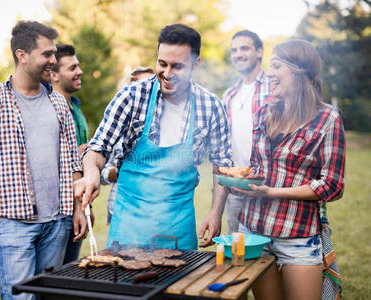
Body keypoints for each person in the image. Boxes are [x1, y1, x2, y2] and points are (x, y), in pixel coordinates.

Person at [74, 23, 233, 250]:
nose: (167, 74)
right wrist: (91, 174)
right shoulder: (131, 96)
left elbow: (222, 167)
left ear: (196, 64)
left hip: (178, 228)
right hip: (129, 226)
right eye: (162, 63)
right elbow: (97, 148)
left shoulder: (211, 106)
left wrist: (216, 212)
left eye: (177, 66)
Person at [0, 20, 87, 300]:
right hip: (12, 225)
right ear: (22, 55)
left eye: (53, 54)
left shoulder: (58, 104)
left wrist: (79, 209)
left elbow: (73, 164)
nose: (53, 61)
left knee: (50, 296)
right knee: (21, 298)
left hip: (57, 223)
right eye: (46, 54)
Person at [232, 39, 345, 300]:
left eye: (276, 66)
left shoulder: (328, 118)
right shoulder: (265, 111)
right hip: (254, 231)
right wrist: (241, 181)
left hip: (297, 235)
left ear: (299, 71)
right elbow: (257, 166)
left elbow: (332, 185)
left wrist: (272, 192)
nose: (269, 73)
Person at [219, 30, 272, 234]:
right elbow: (223, 149)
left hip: (269, 187)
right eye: (234, 50)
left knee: (270, 257)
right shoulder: (229, 95)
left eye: (244, 48)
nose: (238, 54)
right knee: (239, 255)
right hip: (237, 189)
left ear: (259, 51)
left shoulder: (275, 86)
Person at [50, 43, 93, 264]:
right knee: (50, 275)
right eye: (72, 68)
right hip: (55, 211)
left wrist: (86, 206)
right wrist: (78, 153)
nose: (80, 71)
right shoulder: (47, 109)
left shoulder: (76, 108)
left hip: (77, 204)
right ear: (53, 75)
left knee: (68, 270)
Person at [101, 66, 155, 225]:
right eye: (138, 84)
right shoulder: (117, 129)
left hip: (154, 213)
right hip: (119, 210)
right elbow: (103, 174)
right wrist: (119, 171)